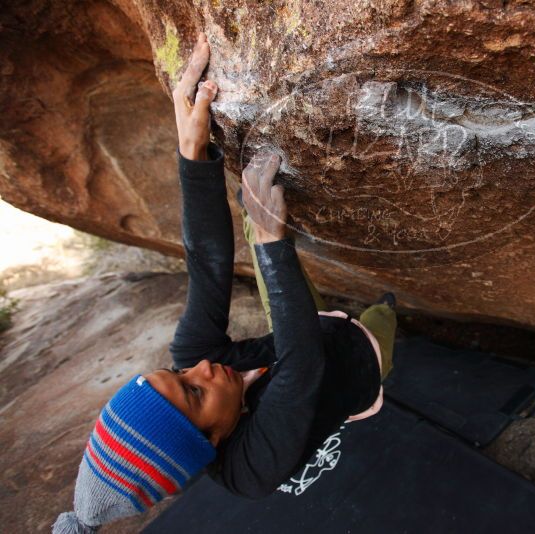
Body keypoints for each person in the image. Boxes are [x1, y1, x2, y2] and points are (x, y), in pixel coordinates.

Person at [53, 32, 397, 533]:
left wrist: (193, 153)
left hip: (303, 328)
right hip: (354, 363)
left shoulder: (198, 362)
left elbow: (208, 263)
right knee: (380, 318)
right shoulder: (252, 469)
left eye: (176, 374)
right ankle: (389, 313)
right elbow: (303, 367)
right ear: (212, 441)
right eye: (193, 392)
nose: (203, 367)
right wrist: (271, 241)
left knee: (255, 225)